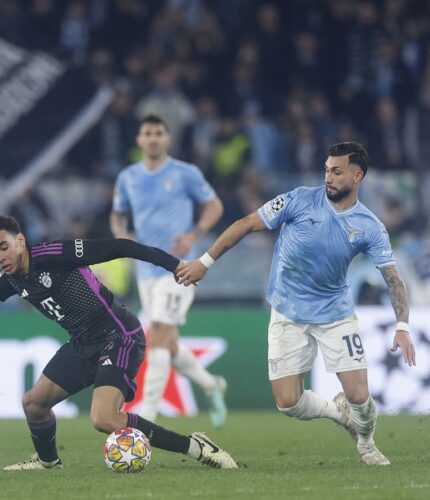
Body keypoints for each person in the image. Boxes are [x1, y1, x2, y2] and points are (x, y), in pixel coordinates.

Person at [0, 215, 238, 470]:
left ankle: (196, 447)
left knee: (104, 418)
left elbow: (120, 246)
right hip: (82, 343)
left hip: (118, 335)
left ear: (20, 241)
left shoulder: (55, 254)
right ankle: (48, 462)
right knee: (34, 404)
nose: (0, 257)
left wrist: (175, 265)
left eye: (3, 247)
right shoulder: (10, 279)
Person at [177, 142, 416, 466]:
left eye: (337, 171)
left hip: (334, 315)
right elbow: (247, 223)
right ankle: (338, 412)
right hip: (287, 312)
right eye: (326, 170)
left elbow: (393, 278)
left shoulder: (369, 226)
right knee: (288, 402)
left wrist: (401, 324)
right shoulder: (299, 199)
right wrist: (205, 262)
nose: (328, 177)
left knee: (359, 396)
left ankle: (366, 443)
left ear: (357, 176)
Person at [111, 114, 228, 427]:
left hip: (180, 268)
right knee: (169, 342)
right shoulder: (128, 177)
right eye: (147, 133)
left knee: (159, 329)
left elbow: (215, 206)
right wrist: (122, 235)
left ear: (167, 139)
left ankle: (148, 410)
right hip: (145, 270)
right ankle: (210, 384)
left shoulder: (185, 173)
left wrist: (193, 234)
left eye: (158, 133)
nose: (152, 138)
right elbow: (117, 216)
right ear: (139, 140)